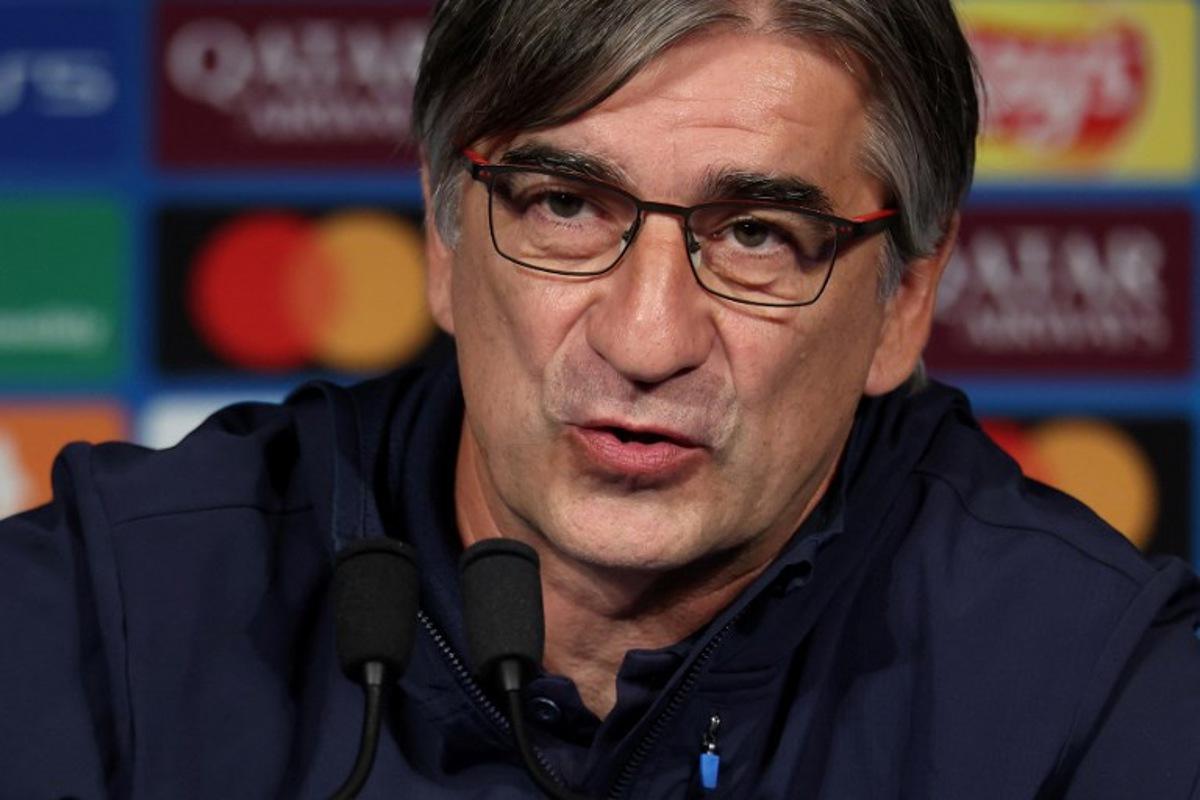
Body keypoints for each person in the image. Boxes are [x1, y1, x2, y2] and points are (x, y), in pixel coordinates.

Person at [3, 1, 1199, 797]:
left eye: (759, 236)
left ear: (903, 302)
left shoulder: (1091, 695)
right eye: (565, 207)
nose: (645, 337)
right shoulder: (107, 622)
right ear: (442, 235)